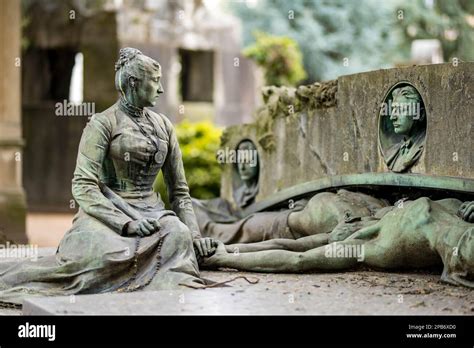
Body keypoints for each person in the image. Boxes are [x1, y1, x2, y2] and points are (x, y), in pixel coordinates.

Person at [0, 48, 215, 306]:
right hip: (105, 214)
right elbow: (83, 185)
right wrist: (126, 224)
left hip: (154, 216)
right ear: (134, 82)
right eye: (155, 81)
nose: (160, 90)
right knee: (103, 257)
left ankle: (158, 293)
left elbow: (179, 192)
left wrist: (196, 236)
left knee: (178, 235)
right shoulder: (102, 124)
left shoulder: (164, 126)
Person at [201, 198, 474, 288]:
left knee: (303, 255)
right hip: (374, 223)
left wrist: (223, 260)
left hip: (375, 237)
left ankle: (220, 254)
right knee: (301, 245)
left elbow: (298, 259)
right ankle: (224, 248)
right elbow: (291, 247)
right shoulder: (456, 210)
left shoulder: (379, 247)